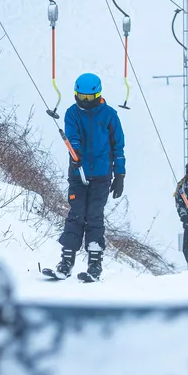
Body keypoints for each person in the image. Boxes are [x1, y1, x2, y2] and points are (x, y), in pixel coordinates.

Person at [55, 73, 127, 280]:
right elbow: (72, 136)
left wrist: (120, 173)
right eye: (81, 97)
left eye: (89, 98)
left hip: (102, 175)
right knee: (76, 213)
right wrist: (75, 154)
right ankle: (66, 260)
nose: (85, 102)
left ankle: (95, 263)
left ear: (98, 94)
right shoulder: (72, 113)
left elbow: (118, 146)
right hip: (79, 173)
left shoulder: (110, 115)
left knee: (94, 215)